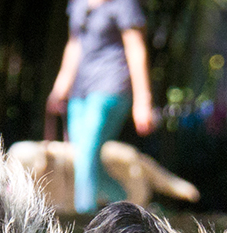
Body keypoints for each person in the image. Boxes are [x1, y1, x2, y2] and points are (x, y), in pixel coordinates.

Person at [46, 0, 156, 215]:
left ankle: (83, 221)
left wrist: (143, 100)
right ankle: (128, 205)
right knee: (83, 159)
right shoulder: (78, 4)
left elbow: (135, 48)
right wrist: (60, 87)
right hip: (81, 90)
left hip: (111, 86)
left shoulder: (124, 4)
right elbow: (74, 45)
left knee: (87, 150)